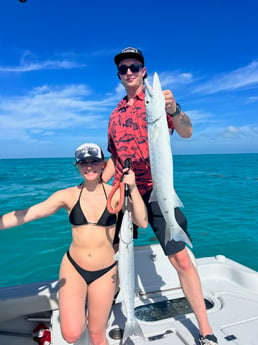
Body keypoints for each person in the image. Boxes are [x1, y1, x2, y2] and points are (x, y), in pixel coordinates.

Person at [102, 47, 218, 345]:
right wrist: (93, 188)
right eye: (124, 68)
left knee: (181, 259)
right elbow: (113, 158)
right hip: (125, 191)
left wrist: (174, 109)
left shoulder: (157, 103)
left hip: (158, 190)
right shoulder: (114, 115)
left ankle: (205, 331)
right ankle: (109, 311)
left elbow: (187, 132)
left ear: (143, 70)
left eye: (135, 66)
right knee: (109, 253)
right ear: (119, 74)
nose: (129, 71)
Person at [0, 142, 148, 345]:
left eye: (94, 162)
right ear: (77, 166)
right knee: (70, 334)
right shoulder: (67, 196)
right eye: (83, 163)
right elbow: (30, 214)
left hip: (105, 271)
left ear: (103, 164)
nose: (89, 167)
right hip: (73, 268)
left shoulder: (115, 194)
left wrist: (132, 187)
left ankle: (94, 318)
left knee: (97, 335)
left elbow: (142, 222)